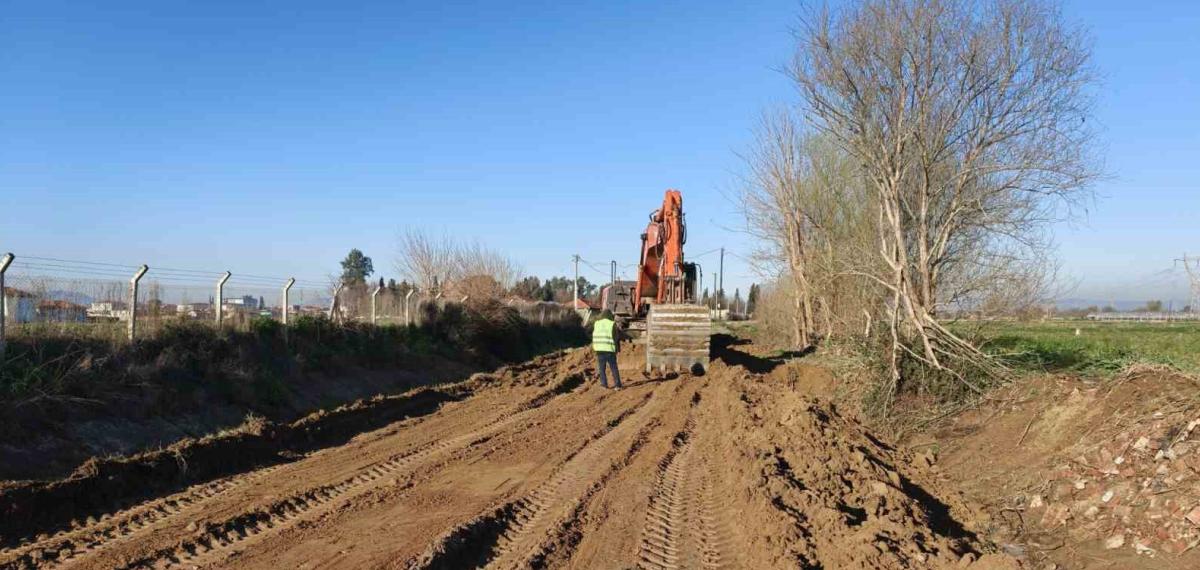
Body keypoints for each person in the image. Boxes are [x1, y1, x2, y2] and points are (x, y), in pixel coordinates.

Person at [592, 309, 623, 389]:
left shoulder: (597, 323)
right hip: (609, 350)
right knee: (613, 368)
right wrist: (617, 349)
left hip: (599, 350)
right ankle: (617, 385)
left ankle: (603, 385)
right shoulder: (612, 324)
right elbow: (615, 338)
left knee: (601, 368)